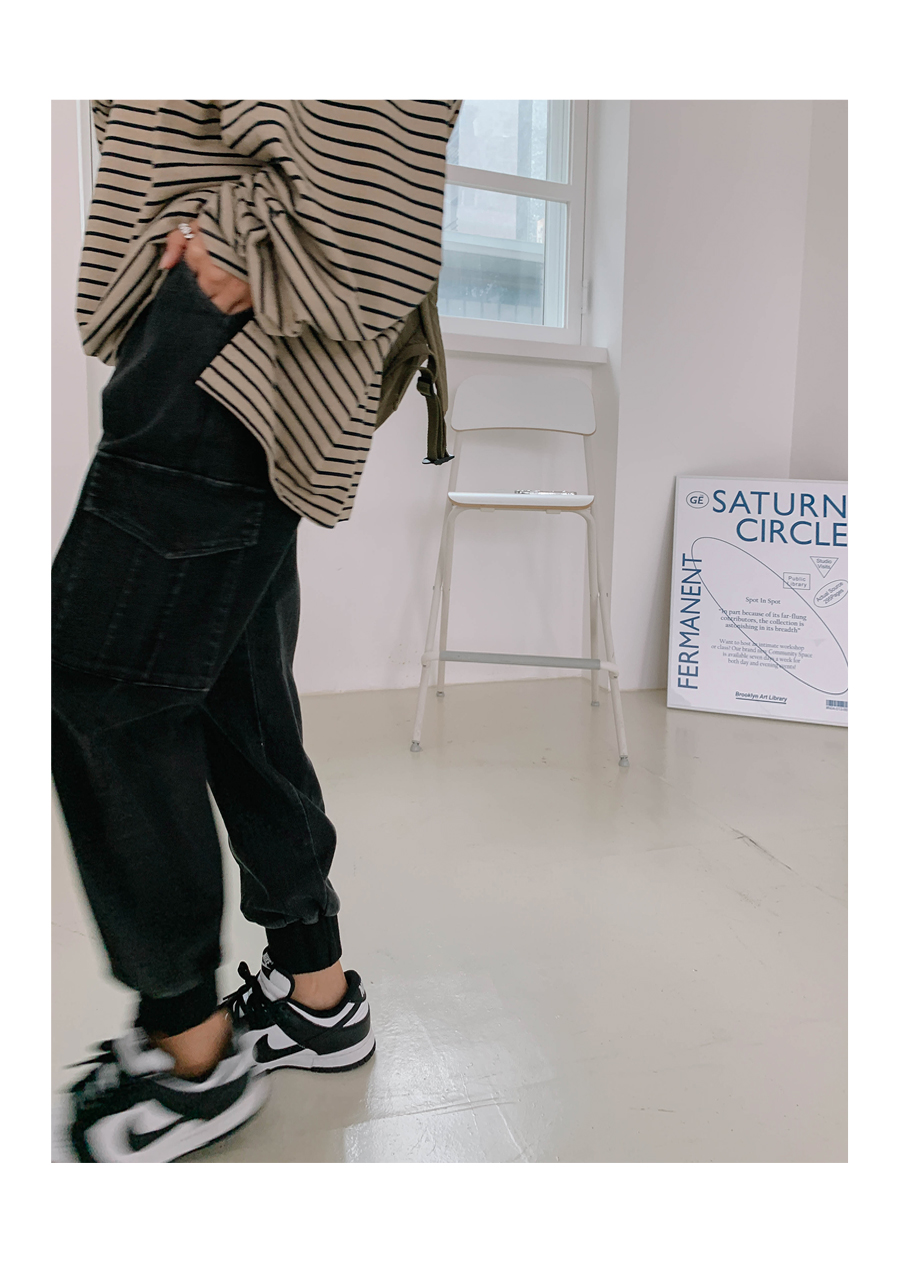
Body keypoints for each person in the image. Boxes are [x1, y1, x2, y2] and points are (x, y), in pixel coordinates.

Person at [52, 99, 461, 1163]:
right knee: (235, 685)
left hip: (233, 328)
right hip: (230, 323)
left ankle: (190, 1058)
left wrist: (250, 253)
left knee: (99, 682)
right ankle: (314, 991)